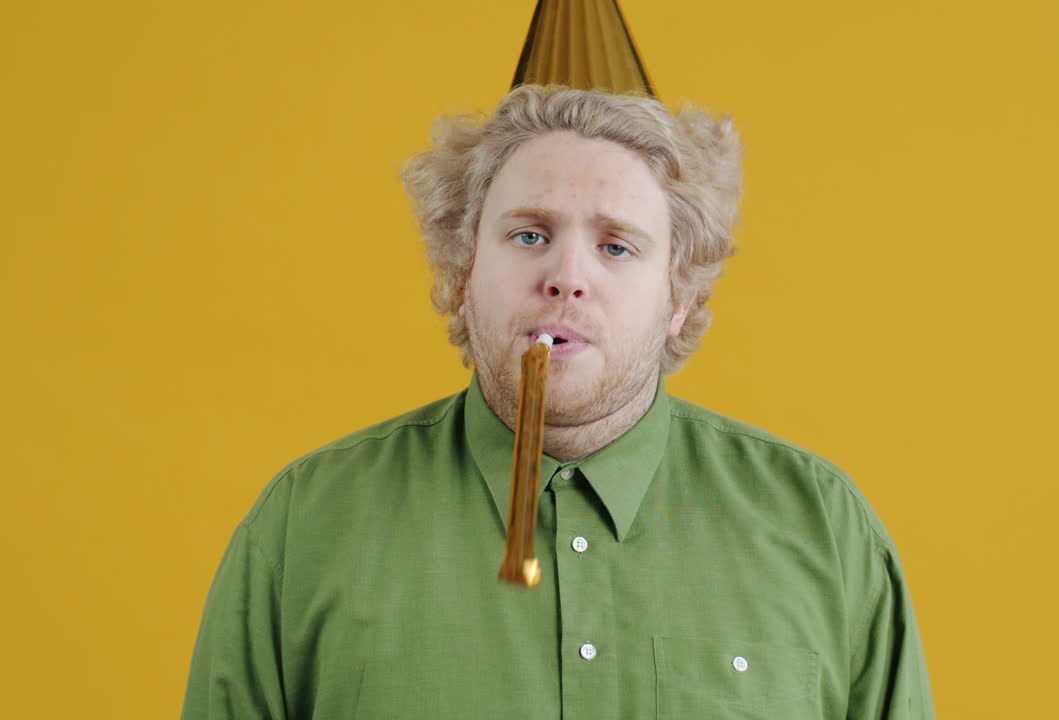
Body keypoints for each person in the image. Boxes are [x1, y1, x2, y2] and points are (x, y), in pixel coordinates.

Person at [181, 84, 935, 719]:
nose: (567, 277)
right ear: (460, 267)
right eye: (530, 234)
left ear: (679, 295)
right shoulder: (305, 527)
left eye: (616, 247)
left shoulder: (826, 533)